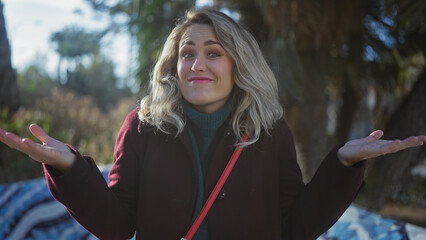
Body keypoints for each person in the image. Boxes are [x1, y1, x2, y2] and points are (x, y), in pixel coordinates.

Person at [0, 8, 425, 240]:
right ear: (174, 63)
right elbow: (117, 225)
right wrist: (69, 168)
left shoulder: (268, 130)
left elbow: (294, 228)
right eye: (187, 53)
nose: (197, 64)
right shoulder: (143, 126)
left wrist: (343, 165)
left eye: (213, 53)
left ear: (238, 64)